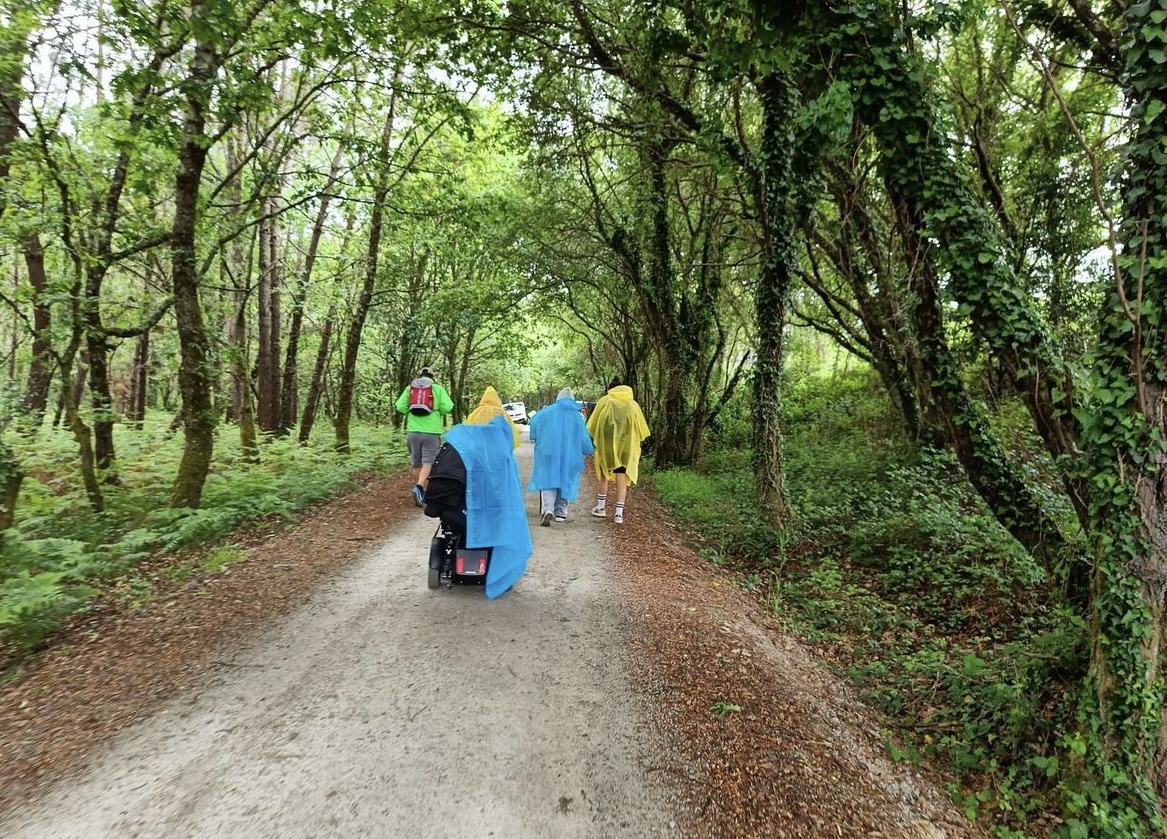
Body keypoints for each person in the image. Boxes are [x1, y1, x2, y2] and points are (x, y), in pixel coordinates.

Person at [586, 377, 650, 525]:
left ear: (610, 389)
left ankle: (601, 508)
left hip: (607, 447)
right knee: (621, 477)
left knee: (604, 475)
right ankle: (618, 514)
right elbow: (641, 430)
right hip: (626, 449)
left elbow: (593, 425)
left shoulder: (605, 401)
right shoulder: (633, 405)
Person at [526, 386, 594, 526]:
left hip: (547, 452)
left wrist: (536, 436)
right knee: (565, 480)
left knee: (547, 479)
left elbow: (534, 424)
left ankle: (547, 509)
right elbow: (583, 437)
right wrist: (588, 449)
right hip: (569, 454)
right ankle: (561, 512)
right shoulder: (576, 417)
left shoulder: (546, 412)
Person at [394, 366, 454, 507]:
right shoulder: (438, 389)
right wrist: (437, 411)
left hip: (413, 431)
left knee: (417, 462)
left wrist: (410, 412)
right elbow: (448, 407)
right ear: (433, 377)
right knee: (429, 462)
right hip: (431, 432)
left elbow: (400, 406)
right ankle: (420, 487)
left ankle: (421, 492)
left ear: (419, 376)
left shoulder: (410, 389)